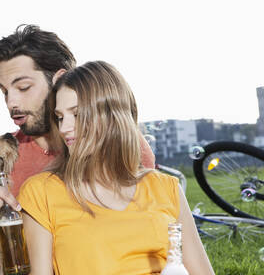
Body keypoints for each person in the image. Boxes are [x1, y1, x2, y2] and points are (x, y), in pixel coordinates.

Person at [0, 25, 155, 253]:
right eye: (5, 91)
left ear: (60, 80)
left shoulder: (118, 144)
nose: (11, 103)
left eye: (24, 87)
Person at [17, 61, 215, 275]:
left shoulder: (166, 187)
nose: (64, 128)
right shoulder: (41, 192)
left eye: (77, 114)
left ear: (112, 116)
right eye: (60, 117)